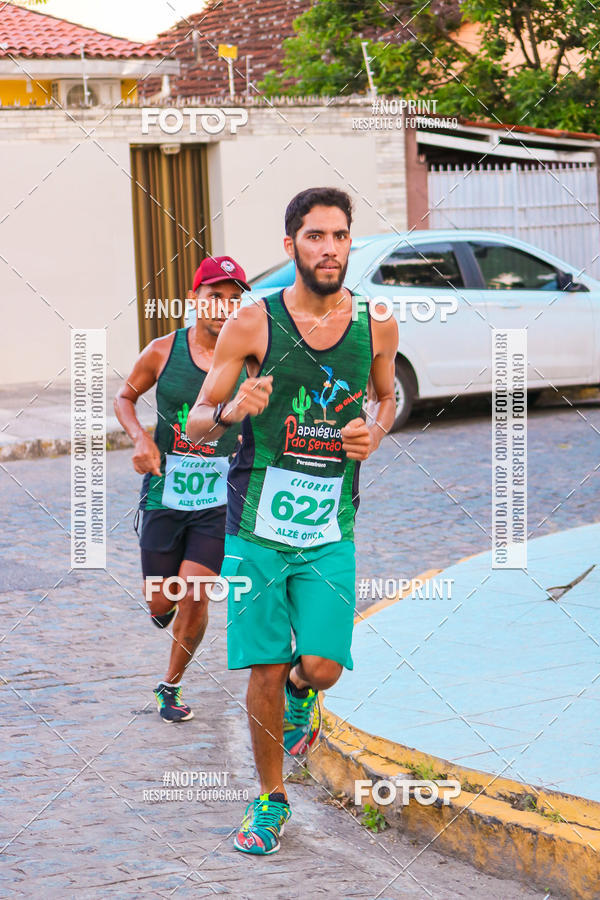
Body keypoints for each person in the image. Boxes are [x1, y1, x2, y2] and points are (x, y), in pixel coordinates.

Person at [186, 187, 398, 854]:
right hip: (255, 530)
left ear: (349, 244)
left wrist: (376, 432)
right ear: (291, 246)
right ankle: (270, 799)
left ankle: (308, 692)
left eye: (339, 236)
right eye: (315, 236)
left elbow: (387, 399)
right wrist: (232, 412)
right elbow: (195, 420)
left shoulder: (378, 323)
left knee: (324, 666)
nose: (329, 247)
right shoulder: (251, 324)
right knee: (266, 667)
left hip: (331, 527)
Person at [114, 256, 249, 722]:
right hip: (163, 491)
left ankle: (169, 686)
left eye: (235, 300)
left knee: (196, 591)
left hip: (219, 497)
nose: (225, 309)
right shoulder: (161, 351)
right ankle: (162, 607)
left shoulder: (251, 360)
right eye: (215, 297)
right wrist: (140, 438)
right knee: (161, 598)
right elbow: (125, 397)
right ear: (194, 299)